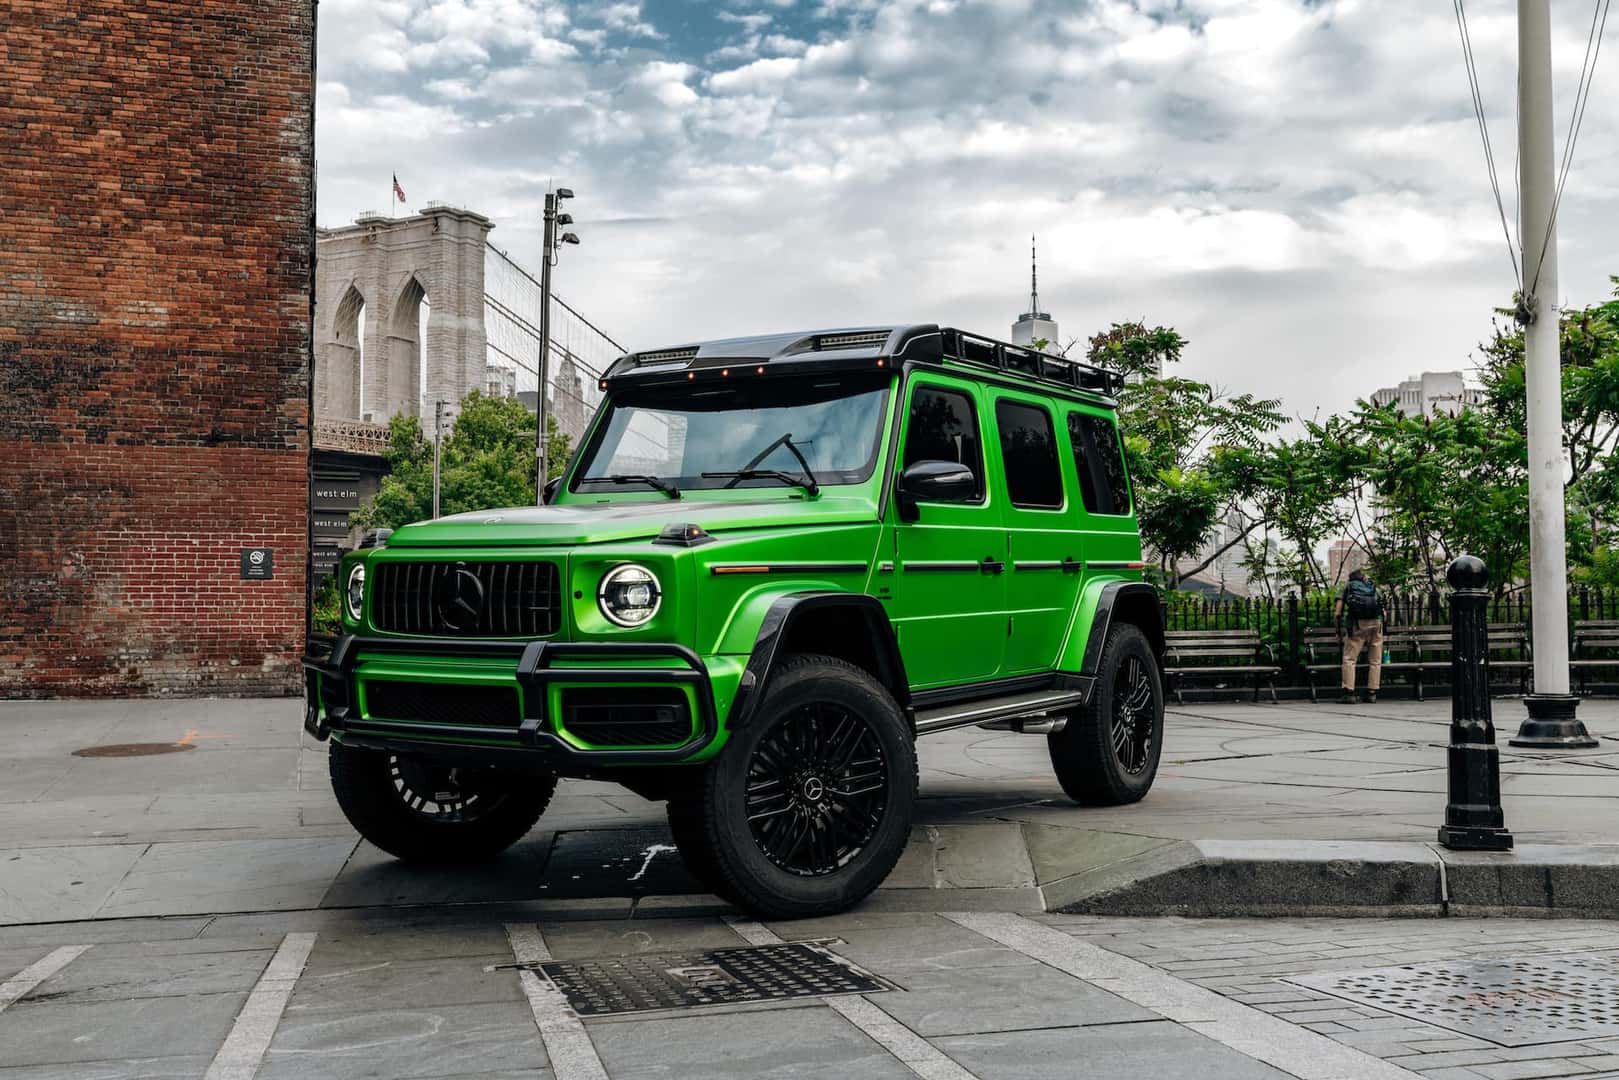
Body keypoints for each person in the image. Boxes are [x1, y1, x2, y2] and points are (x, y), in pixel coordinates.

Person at [1335, 569, 1384, 703]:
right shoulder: (1373, 587)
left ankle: (1349, 692)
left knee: (1349, 659)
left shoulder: (1348, 587)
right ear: (1363, 578)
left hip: (1357, 625)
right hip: (1376, 625)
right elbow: (1382, 609)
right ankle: (1372, 693)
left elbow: (1337, 613)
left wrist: (1338, 630)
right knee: (1375, 660)